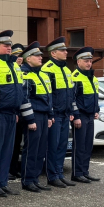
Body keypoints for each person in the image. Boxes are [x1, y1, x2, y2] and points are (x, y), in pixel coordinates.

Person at [0, 30, 33, 197]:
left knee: (7, 150)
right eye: (6, 45)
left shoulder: (13, 65)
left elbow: (21, 92)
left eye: (10, 45)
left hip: (12, 114)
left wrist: (22, 112)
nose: (9, 47)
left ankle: (3, 182)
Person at [41, 37, 78, 188]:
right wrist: (50, 114)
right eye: (63, 50)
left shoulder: (65, 69)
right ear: (54, 53)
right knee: (53, 146)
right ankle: (52, 176)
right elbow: (48, 95)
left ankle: (59, 173)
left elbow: (70, 93)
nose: (66, 52)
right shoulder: (47, 69)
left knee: (62, 146)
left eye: (65, 50)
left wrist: (70, 111)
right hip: (55, 114)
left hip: (64, 114)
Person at [19, 42, 54, 193]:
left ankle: (35, 178)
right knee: (31, 149)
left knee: (41, 150)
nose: (41, 58)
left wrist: (50, 115)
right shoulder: (25, 75)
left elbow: (48, 97)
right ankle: (27, 180)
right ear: (28, 59)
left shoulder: (42, 75)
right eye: (37, 56)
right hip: (34, 115)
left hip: (44, 115)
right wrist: (30, 120)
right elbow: (24, 99)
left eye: (41, 55)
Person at [71, 47, 102, 184]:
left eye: (90, 61)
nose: (89, 63)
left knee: (88, 145)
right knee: (80, 145)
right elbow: (72, 99)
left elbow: (95, 96)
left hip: (90, 116)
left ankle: (85, 171)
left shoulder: (92, 77)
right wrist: (76, 116)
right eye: (86, 61)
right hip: (81, 116)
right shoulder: (75, 77)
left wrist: (96, 109)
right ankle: (77, 173)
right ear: (78, 62)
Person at [9, 42, 26, 179]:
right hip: (12, 112)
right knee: (10, 143)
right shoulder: (11, 69)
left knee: (16, 143)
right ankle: (9, 169)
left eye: (20, 55)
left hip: (21, 113)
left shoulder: (22, 71)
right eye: (16, 55)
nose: (19, 58)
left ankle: (14, 169)